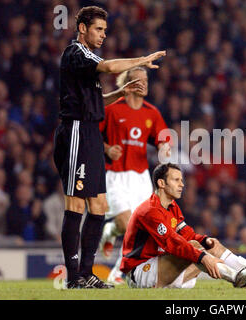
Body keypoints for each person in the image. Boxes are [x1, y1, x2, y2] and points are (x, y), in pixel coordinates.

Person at [53, 6, 166, 289]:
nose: (103, 34)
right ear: (82, 29)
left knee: (99, 205)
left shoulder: (85, 61)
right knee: (76, 203)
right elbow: (108, 66)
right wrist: (142, 60)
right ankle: (73, 276)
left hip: (90, 130)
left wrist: (120, 93)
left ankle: (88, 273)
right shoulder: (76, 53)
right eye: (98, 29)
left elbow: (95, 101)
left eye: (105, 30)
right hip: (76, 130)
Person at [121, 163, 246, 289]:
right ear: (161, 183)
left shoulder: (172, 206)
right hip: (140, 273)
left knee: (209, 245)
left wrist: (205, 241)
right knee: (194, 249)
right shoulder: (150, 210)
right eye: (176, 180)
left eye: (181, 180)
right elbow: (172, 242)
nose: (182, 184)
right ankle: (237, 278)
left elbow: (187, 234)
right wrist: (202, 257)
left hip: (165, 271)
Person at [98, 66, 171, 285]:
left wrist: (164, 148)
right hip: (115, 175)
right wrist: (107, 149)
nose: (145, 83)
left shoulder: (151, 112)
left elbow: (163, 137)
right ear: (127, 85)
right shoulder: (112, 109)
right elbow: (91, 132)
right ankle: (111, 229)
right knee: (125, 223)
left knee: (138, 228)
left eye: (146, 79)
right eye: (139, 80)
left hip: (140, 178)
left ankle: (117, 273)